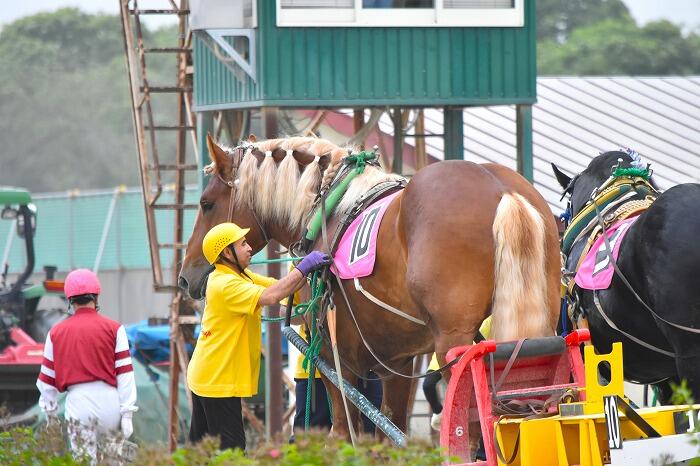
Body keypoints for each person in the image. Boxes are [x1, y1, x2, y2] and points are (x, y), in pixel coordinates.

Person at [187, 222, 331, 451]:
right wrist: (304, 268)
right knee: (232, 451)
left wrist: (305, 273)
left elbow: (279, 286)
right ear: (227, 252)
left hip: (208, 374)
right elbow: (272, 295)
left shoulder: (239, 276)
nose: (249, 248)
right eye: (242, 244)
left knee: (200, 451)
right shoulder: (224, 284)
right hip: (216, 380)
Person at [36, 269, 137, 460]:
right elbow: (125, 373)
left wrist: (50, 415)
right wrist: (127, 413)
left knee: (83, 460)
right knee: (113, 461)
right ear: (96, 297)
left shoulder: (55, 333)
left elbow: (47, 379)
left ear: (70, 300)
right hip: (110, 403)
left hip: (78, 403)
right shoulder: (115, 329)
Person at [424, 316, 492, 431]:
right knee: (427, 385)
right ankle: (440, 417)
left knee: (472, 399)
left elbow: (481, 337)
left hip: (473, 355)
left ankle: (477, 440)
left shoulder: (488, 316)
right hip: (445, 352)